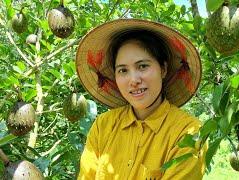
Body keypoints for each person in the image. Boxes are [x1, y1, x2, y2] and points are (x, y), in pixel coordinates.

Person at [76, 19, 205, 180]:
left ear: (163, 69)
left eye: (142, 66)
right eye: (123, 70)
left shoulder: (188, 133)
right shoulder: (103, 126)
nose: (133, 80)